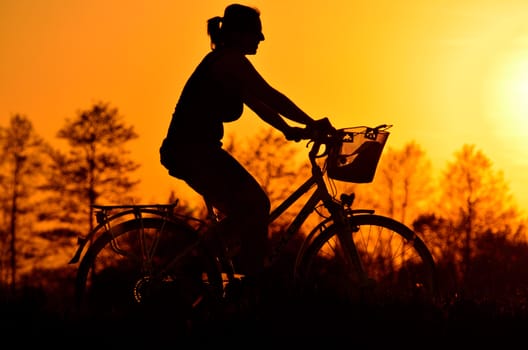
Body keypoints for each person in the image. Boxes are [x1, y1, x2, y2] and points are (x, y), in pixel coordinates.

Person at [159, 4, 316, 287]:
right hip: (192, 151)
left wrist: (288, 129)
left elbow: (259, 103)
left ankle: (223, 275)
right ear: (238, 34)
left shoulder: (227, 63)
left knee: (246, 210)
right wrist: (313, 123)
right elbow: (270, 94)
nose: (262, 39)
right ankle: (220, 274)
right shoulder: (229, 61)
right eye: (256, 32)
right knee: (255, 204)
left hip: (196, 150)